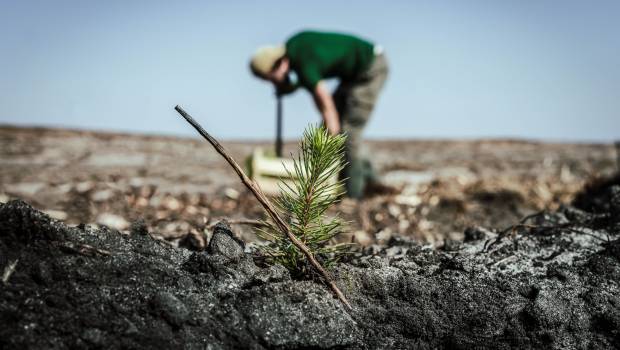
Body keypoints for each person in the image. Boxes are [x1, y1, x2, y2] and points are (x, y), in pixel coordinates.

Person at [249, 30, 391, 199]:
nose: (274, 83)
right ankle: (371, 182)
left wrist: (333, 133)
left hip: (370, 67)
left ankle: (354, 195)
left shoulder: (303, 62)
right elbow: (308, 83)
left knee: (347, 133)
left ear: (279, 64)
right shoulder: (294, 50)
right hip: (351, 76)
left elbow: (325, 103)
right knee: (331, 131)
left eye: (272, 79)